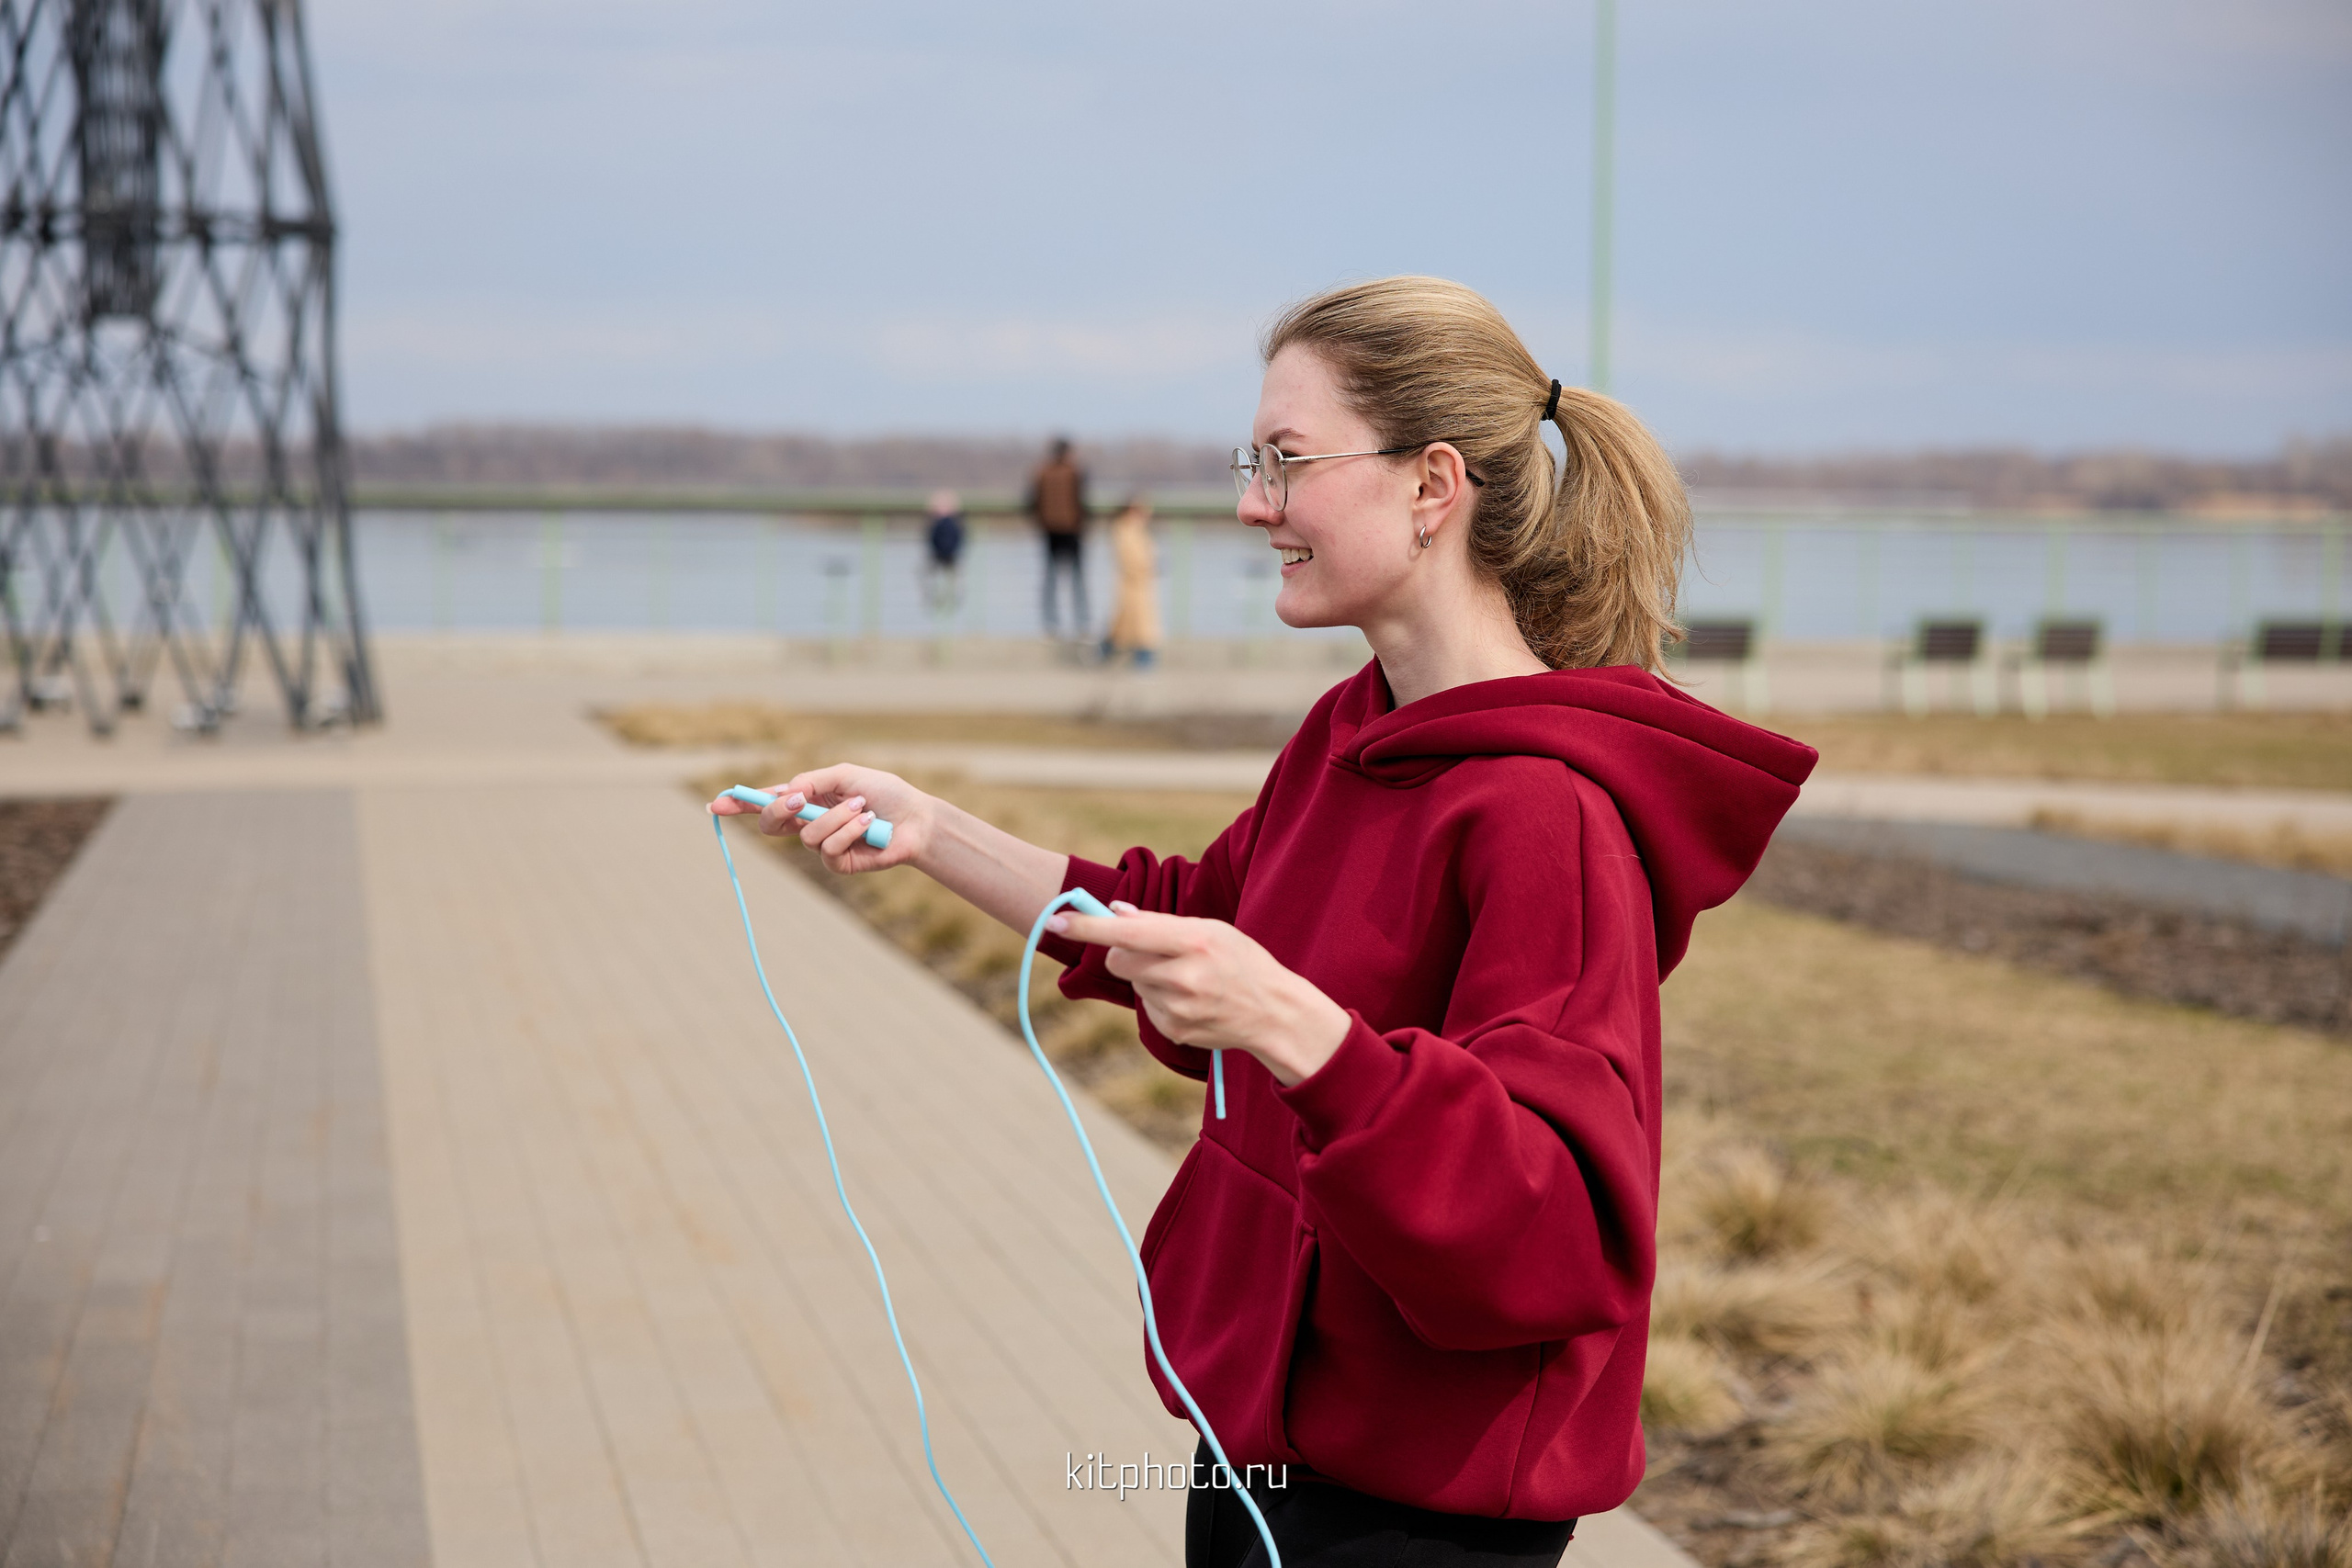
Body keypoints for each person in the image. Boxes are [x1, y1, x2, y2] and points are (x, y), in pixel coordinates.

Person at [714, 276, 1816, 1566]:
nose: (1251, 504)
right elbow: (1200, 919)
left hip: (1422, 1501)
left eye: (1286, 460)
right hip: (1259, 1439)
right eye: (1253, 463)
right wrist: (935, 831)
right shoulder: (1351, 728)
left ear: (1432, 486)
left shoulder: (1546, 817)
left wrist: (1298, 1030)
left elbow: (1555, 1223)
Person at [1026, 435, 1089, 637]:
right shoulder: (1075, 472)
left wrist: (1041, 521)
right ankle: (1082, 623)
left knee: (1050, 579)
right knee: (1077, 579)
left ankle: (1050, 624)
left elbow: (1031, 501)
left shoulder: (1042, 472)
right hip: (1072, 530)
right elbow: (1082, 501)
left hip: (1050, 530)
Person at [1100, 495, 1162, 667]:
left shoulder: (1136, 530)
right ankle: (1140, 658)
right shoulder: (1125, 530)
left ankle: (1106, 652)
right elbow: (1132, 559)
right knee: (1136, 624)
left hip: (1140, 584)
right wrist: (1146, 568)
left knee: (1127, 623)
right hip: (1133, 583)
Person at [922, 489, 967, 618]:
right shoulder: (950, 524)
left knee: (951, 582)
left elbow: (957, 539)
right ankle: (942, 603)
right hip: (945, 557)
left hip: (947, 557)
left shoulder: (947, 524)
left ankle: (944, 603)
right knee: (942, 582)